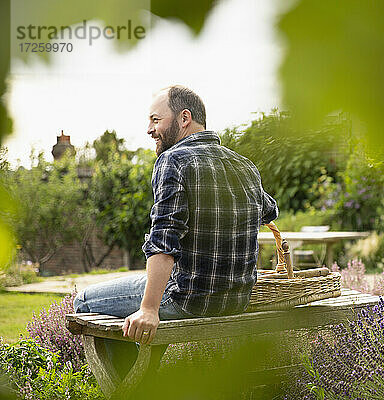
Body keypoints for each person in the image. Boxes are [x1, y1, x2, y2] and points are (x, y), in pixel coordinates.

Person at [73, 85, 278, 377]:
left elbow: (164, 240)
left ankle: (136, 387)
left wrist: (149, 309)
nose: (148, 129)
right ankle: (145, 375)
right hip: (235, 299)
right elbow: (270, 210)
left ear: (184, 118)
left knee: (83, 301)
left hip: (189, 299)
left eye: (155, 120)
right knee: (142, 295)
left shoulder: (173, 160)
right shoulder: (244, 166)